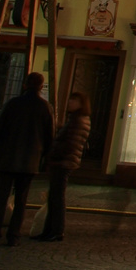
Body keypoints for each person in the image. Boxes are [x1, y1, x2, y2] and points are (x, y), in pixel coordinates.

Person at [0, 72, 53, 246]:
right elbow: (49, 136)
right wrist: (42, 157)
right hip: (30, 159)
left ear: (25, 84)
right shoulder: (45, 107)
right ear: (41, 87)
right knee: (21, 200)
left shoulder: (12, 104)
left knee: (1, 199)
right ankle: (13, 235)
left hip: (8, 156)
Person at [35, 91, 90, 242]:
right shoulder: (76, 119)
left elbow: (70, 144)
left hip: (63, 162)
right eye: (70, 99)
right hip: (63, 161)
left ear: (81, 104)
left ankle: (56, 230)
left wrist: (54, 154)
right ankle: (49, 230)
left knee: (57, 197)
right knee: (54, 196)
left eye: (74, 100)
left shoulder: (77, 121)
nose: (70, 103)